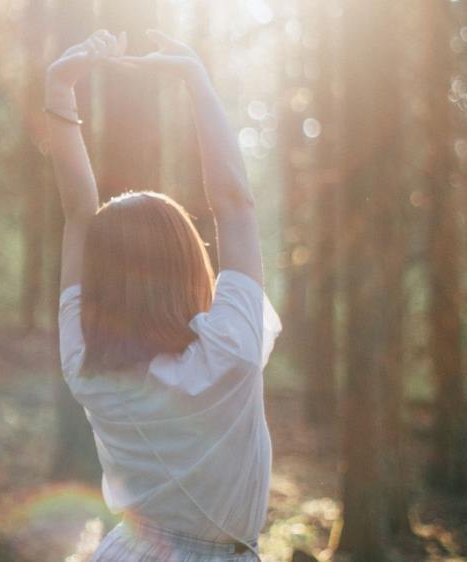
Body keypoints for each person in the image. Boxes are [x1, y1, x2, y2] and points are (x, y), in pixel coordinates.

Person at [45, 28, 282, 561]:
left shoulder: (85, 359)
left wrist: (59, 91)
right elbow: (235, 204)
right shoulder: (231, 352)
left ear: (101, 282)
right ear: (189, 264)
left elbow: (79, 212)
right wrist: (196, 81)